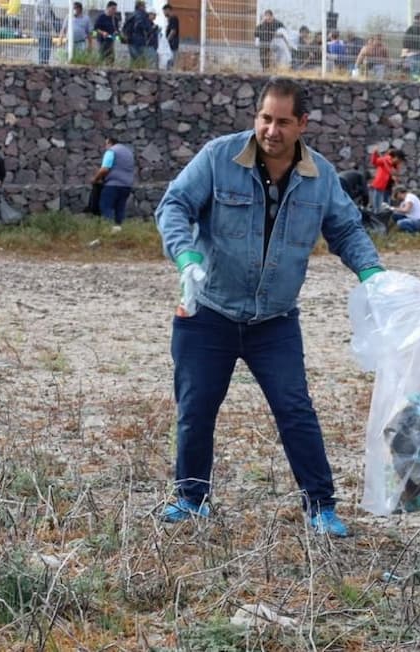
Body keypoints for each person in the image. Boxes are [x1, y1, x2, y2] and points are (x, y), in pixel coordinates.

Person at [155, 78, 384, 535]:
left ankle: (321, 507)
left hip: (274, 321)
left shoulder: (320, 177)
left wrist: (372, 274)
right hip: (208, 311)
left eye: (282, 121)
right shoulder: (219, 158)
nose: (271, 130)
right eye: (264, 118)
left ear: (302, 124)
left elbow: (346, 230)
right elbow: (174, 205)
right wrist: (186, 257)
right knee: (196, 407)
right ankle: (192, 497)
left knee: (295, 408)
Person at [92, 136, 135, 231]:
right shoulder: (128, 152)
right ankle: (119, 230)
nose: (105, 147)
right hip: (127, 185)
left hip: (113, 185)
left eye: (106, 144)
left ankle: (108, 230)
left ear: (110, 143)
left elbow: (105, 169)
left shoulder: (112, 151)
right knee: (120, 209)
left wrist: (95, 179)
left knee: (106, 207)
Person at [368, 147, 404, 214]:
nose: (400, 162)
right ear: (396, 157)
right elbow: (374, 162)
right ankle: (376, 218)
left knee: (385, 206)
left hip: (387, 187)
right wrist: (375, 153)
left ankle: (384, 219)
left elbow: (395, 173)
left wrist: (394, 176)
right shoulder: (385, 159)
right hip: (379, 185)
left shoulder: (396, 165)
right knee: (377, 206)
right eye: (400, 160)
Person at [402, 11, 420, 80]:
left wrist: (406, 51)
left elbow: (405, 41)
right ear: (419, 18)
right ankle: (417, 82)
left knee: (414, 70)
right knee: (419, 69)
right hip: (419, 52)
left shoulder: (410, 28)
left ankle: (415, 81)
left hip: (412, 53)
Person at [124, 1, 150, 66]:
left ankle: (131, 74)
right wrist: (147, 29)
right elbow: (140, 25)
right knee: (141, 60)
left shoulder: (132, 14)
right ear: (140, 6)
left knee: (133, 60)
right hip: (139, 40)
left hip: (131, 40)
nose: (145, 7)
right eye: (144, 6)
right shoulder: (141, 14)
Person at [34, 0, 54, 65]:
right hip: (45, 29)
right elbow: (43, 17)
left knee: (42, 47)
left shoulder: (39, 2)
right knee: (45, 47)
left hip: (41, 28)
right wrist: (47, 27)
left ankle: (41, 63)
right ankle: (44, 63)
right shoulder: (44, 2)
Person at [163, 4, 179, 69]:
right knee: (169, 59)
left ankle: (170, 73)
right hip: (172, 43)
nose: (164, 13)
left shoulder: (173, 18)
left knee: (170, 60)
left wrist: (167, 41)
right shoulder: (170, 19)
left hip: (172, 43)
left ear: (168, 10)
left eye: (164, 11)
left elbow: (173, 31)